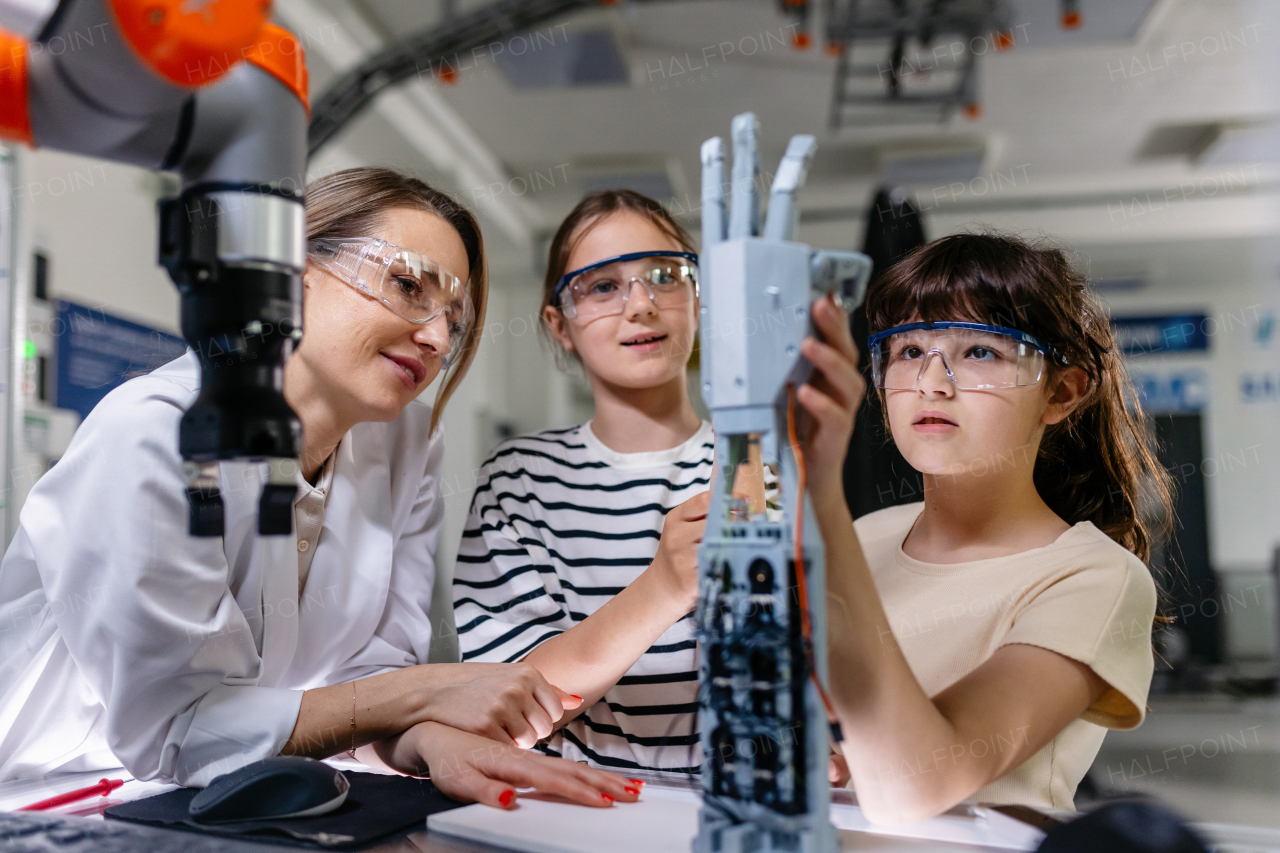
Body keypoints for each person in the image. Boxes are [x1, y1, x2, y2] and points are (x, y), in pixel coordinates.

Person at [0, 168, 638, 811]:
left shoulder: (407, 441)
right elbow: (180, 732)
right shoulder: (156, 433)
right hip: (43, 794)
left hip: (220, 798)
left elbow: (365, 688)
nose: (438, 338)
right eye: (408, 285)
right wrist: (423, 695)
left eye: (454, 317)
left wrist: (427, 740)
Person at [808, 233, 1173, 822]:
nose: (932, 382)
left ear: (1061, 391)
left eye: (980, 351)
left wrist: (816, 493)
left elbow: (925, 784)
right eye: (907, 351)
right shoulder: (866, 536)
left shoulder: (1094, 579)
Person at [452, 190, 715, 774]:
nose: (641, 304)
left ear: (698, 297)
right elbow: (507, 699)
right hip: (577, 808)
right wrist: (663, 588)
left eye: (665, 276)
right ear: (559, 324)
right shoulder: (519, 477)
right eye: (602, 286)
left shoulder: (758, 463)